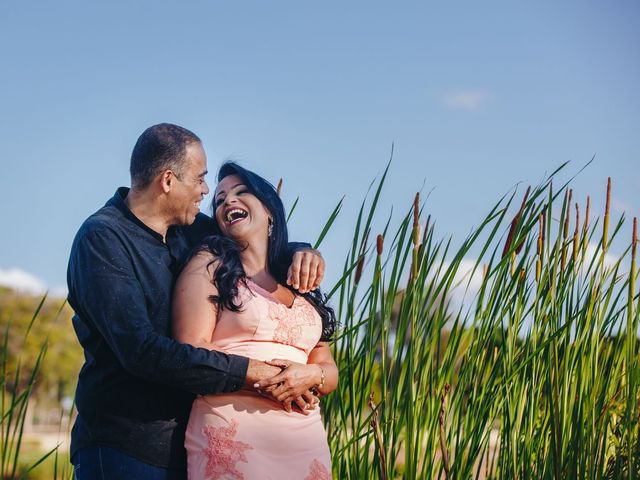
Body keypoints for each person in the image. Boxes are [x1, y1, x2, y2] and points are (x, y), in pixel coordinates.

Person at [66, 123, 326, 480]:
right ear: (168, 181)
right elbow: (140, 349)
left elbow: (251, 238)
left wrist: (301, 252)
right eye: (200, 180)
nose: (206, 192)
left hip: (187, 442)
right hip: (124, 444)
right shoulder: (102, 239)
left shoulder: (189, 228)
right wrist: (258, 373)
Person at [172, 161, 338, 479]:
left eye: (241, 192)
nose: (228, 201)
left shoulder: (299, 279)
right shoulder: (209, 265)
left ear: (270, 210)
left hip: (304, 439)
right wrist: (269, 379)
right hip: (233, 431)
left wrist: (311, 375)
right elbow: (191, 349)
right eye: (219, 200)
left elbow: (329, 370)